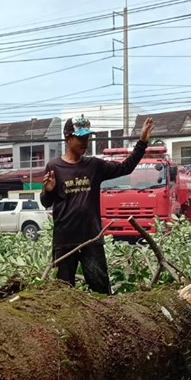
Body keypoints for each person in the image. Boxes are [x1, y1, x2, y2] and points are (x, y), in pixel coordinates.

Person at [41, 114, 155, 294]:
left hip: (91, 238)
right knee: (62, 293)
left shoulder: (94, 165)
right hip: (64, 241)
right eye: (81, 138)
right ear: (68, 138)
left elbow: (125, 167)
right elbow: (46, 202)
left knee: (101, 290)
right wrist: (48, 189)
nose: (85, 142)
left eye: (87, 137)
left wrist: (141, 142)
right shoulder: (54, 166)